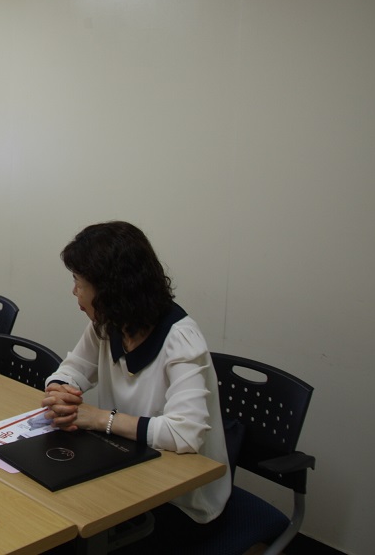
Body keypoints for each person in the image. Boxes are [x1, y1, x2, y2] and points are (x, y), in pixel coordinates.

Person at [41, 221, 231, 548]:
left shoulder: (181, 340)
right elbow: (73, 368)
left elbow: (185, 433)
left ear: (109, 290)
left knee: (69, 537)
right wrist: (61, 391)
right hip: (124, 469)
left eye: (79, 282)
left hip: (180, 501)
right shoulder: (108, 324)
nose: (74, 292)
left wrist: (100, 419)